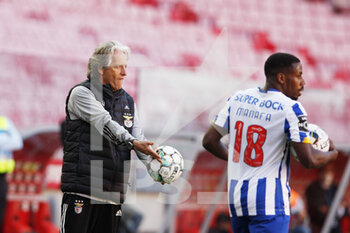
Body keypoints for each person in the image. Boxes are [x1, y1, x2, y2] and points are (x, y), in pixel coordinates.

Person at [202, 52, 338, 233]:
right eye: (299, 75)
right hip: (269, 202)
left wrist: (238, 158)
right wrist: (332, 153)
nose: (303, 82)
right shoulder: (292, 109)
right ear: (281, 78)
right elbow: (309, 160)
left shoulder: (239, 98)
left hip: (237, 198)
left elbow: (209, 141)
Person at [60, 40, 161, 233]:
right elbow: (105, 123)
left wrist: (155, 164)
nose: (125, 73)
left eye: (126, 67)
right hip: (83, 191)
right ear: (100, 69)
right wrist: (133, 142)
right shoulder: (81, 93)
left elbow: (138, 137)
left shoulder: (128, 101)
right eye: (118, 67)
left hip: (112, 195)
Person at [305, 165, 347, 233]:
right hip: (318, 225)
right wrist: (336, 208)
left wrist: (336, 208)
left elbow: (344, 205)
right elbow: (319, 209)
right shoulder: (313, 188)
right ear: (320, 174)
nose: (326, 176)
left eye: (329, 173)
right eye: (324, 173)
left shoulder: (335, 188)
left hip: (335, 226)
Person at [0, 116, 23, 233]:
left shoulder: (4, 122)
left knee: (1, 208)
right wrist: (4, 140)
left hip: (2, 175)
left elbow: (17, 142)